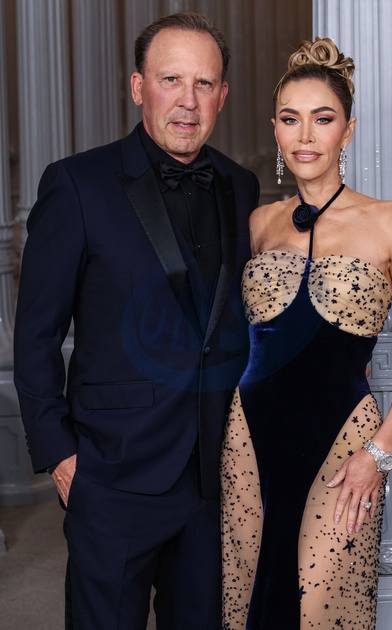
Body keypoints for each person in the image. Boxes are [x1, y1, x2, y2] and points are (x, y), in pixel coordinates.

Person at [13, 12, 259, 630]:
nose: (188, 100)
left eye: (204, 83)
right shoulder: (76, 184)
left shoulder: (242, 186)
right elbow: (36, 335)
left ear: (223, 95)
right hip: (111, 472)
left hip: (214, 477)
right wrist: (60, 456)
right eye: (171, 79)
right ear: (138, 87)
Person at [220, 37, 392, 629]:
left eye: (323, 118)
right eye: (290, 119)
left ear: (348, 129)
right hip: (250, 438)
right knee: (252, 602)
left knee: (320, 610)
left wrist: (379, 453)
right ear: (275, 129)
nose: (305, 136)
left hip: (344, 444)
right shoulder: (260, 223)